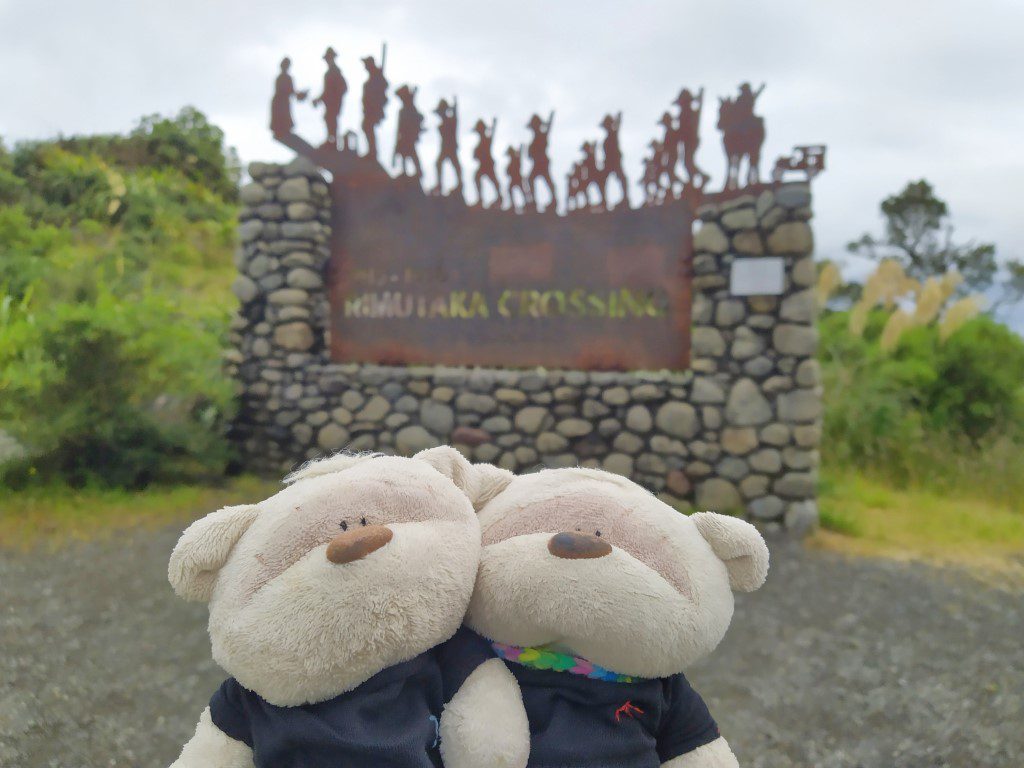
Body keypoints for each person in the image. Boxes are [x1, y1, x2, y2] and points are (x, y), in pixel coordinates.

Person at [312, 47, 347, 148]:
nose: (327, 60)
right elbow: (326, 91)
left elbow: (339, 89)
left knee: (331, 119)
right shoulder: (330, 73)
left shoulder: (335, 72)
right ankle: (331, 140)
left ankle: (332, 141)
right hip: (331, 103)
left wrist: (334, 98)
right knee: (329, 119)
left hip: (334, 103)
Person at [675, 87, 708, 188]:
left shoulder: (688, 113)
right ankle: (693, 181)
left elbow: (686, 128)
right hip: (687, 141)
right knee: (687, 162)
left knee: (687, 161)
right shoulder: (686, 113)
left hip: (691, 140)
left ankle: (699, 178)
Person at [361, 46, 388, 161]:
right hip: (369, 109)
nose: (365, 67)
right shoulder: (373, 77)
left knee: (367, 127)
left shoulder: (377, 78)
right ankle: (372, 151)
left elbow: (383, 88)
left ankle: (373, 152)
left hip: (373, 109)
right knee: (367, 127)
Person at [599, 112, 630, 209]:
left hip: (615, 162)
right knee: (603, 181)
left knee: (622, 179)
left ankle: (625, 198)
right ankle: (604, 201)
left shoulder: (613, 134)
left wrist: (619, 117)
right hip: (608, 163)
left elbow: (618, 125)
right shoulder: (607, 138)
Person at [392, 84, 424, 180]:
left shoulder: (409, 109)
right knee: (404, 153)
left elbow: (418, 119)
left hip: (409, 136)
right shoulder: (403, 111)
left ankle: (418, 171)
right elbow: (400, 126)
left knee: (411, 152)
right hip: (404, 136)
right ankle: (405, 171)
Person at [525, 111, 555, 212]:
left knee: (545, 179)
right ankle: (535, 201)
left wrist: (551, 117)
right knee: (533, 179)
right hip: (538, 162)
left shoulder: (542, 135)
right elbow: (530, 154)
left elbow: (549, 128)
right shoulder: (536, 137)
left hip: (541, 162)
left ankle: (553, 199)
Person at [472, 118, 504, 208]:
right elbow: (475, 157)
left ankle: (499, 197)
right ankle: (481, 199)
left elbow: (492, 133)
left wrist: (494, 124)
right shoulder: (480, 143)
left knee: (493, 180)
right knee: (478, 178)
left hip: (488, 165)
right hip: (483, 165)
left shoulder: (486, 140)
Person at [270, 57, 306, 137]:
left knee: (284, 119)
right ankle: (281, 130)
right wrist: (299, 95)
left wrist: (300, 95)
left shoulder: (287, 78)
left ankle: (283, 130)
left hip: (283, 102)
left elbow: (291, 91)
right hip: (280, 102)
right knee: (281, 118)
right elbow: (288, 91)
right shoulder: (281, 78)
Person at [433, 97, 462, 195]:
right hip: (444, 148)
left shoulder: (451, 121)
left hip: (451, 148)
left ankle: (460, 184)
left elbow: (455, 116)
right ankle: (440, 184)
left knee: (455, 165)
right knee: (439, 163)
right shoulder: (442, 124)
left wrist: (455, 104)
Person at [504, 144, 531, 212]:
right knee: (517, 190)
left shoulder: (516, 159)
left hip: (517, 178)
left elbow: (519, 156)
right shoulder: (513, 159)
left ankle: (527, 204)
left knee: (521, 190)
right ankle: (514, 204)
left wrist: (521, 148)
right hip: (514, 178)